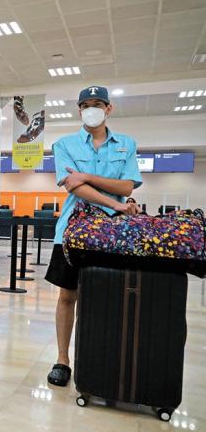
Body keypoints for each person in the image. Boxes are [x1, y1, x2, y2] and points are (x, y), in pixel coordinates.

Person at [46, 86, 143, 386]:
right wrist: (115, 203)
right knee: (67, 295)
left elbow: (128, 186)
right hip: (73, 232)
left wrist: (86, 175)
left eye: (97, 104)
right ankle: (63, 359)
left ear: (108, 108)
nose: (91, 109)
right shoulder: (64, 145)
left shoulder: (125, 145)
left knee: (113, 295)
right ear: (79, 110)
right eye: (85, 105)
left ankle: (105, 357)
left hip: (114, 233)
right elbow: (73, 187)